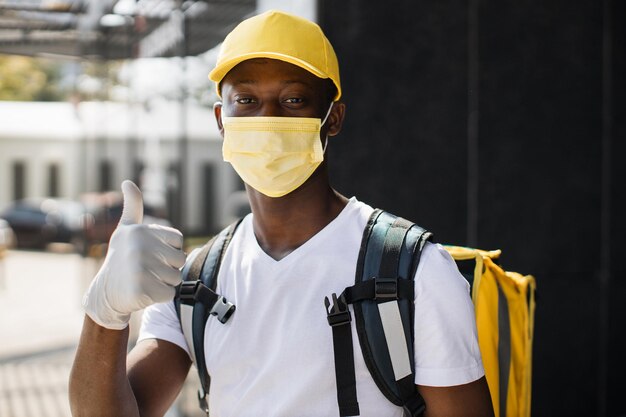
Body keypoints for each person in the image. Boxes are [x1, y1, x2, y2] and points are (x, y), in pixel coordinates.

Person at [69, 10, 494, 417]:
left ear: (333, 118)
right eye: (246, 99)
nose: (267, 118)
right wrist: (105, 313)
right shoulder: (198, 281)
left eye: (293, 99)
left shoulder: (412, 271)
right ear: (222, 119)